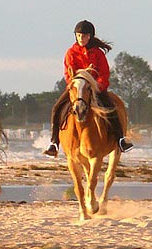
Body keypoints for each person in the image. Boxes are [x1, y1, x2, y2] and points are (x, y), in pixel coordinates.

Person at [43, 20, 134, 156]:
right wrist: (74, 85)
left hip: (95, 88)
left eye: (84, 36)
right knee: (57, 109)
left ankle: (120, 139)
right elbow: (68, 74)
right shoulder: (71, 53)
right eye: (78, 35)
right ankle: (54, 143)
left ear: (90, 36)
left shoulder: (98, 54)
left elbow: (104, 74)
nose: (81, 38)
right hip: (76, 88)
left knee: (111, 110)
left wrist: (97, 86)